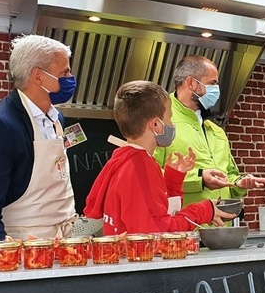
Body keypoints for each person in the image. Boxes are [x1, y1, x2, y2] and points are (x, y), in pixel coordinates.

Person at [84, 80, 235, 235]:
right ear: (156, 125)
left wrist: (173, 180)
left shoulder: (125, 159)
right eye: (169, 118)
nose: (172, 124)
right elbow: (157, 232)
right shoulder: (141, 167)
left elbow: (159, 212)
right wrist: (203, 211)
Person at [0, 34, 78, 244]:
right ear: (38, 76)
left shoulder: (57, 119)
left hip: (64, 242)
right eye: (64, 71)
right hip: (24, 246)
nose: (70, 77)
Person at [152, 55, 265, 208]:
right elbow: (149, 175)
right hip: (184, 228)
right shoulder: (161, 120)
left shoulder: (216, 130)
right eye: (212, 83)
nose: (216, 90)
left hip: (220, 226)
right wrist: (199, 180)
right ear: (191, 83)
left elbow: (230, 175)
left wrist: (239, 183)